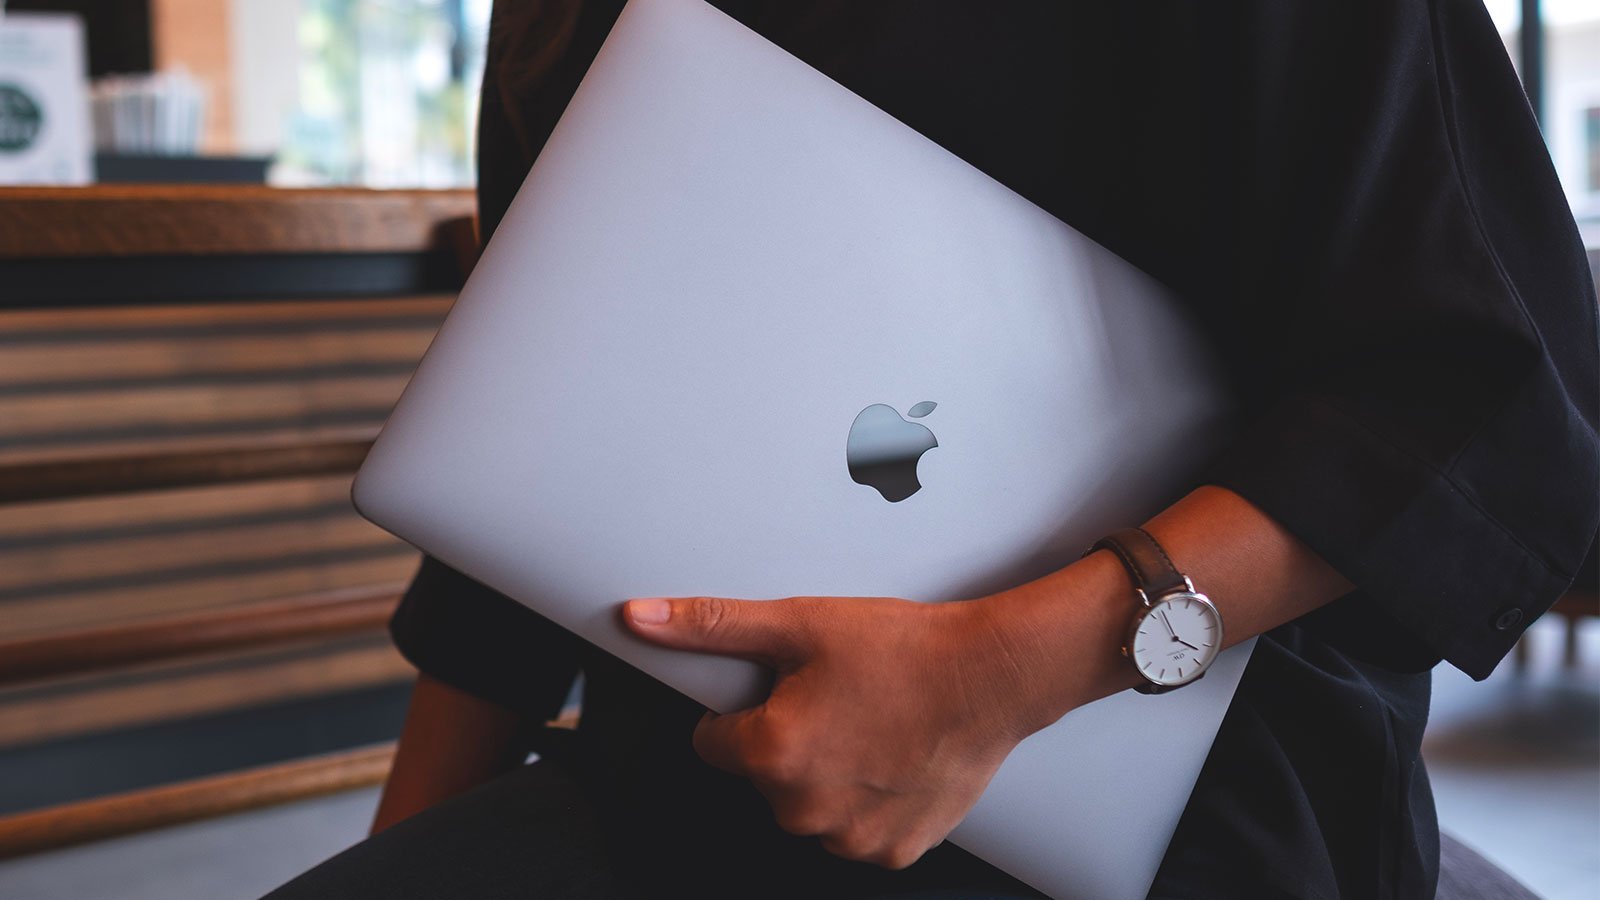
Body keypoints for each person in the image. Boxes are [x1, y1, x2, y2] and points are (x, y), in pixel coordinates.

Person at [266, 1, 1599, 898]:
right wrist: (412, 845)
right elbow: (526, 465)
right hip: (679, 791)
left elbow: (1489, 393)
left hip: (1173, 821)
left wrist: (1000, 674)